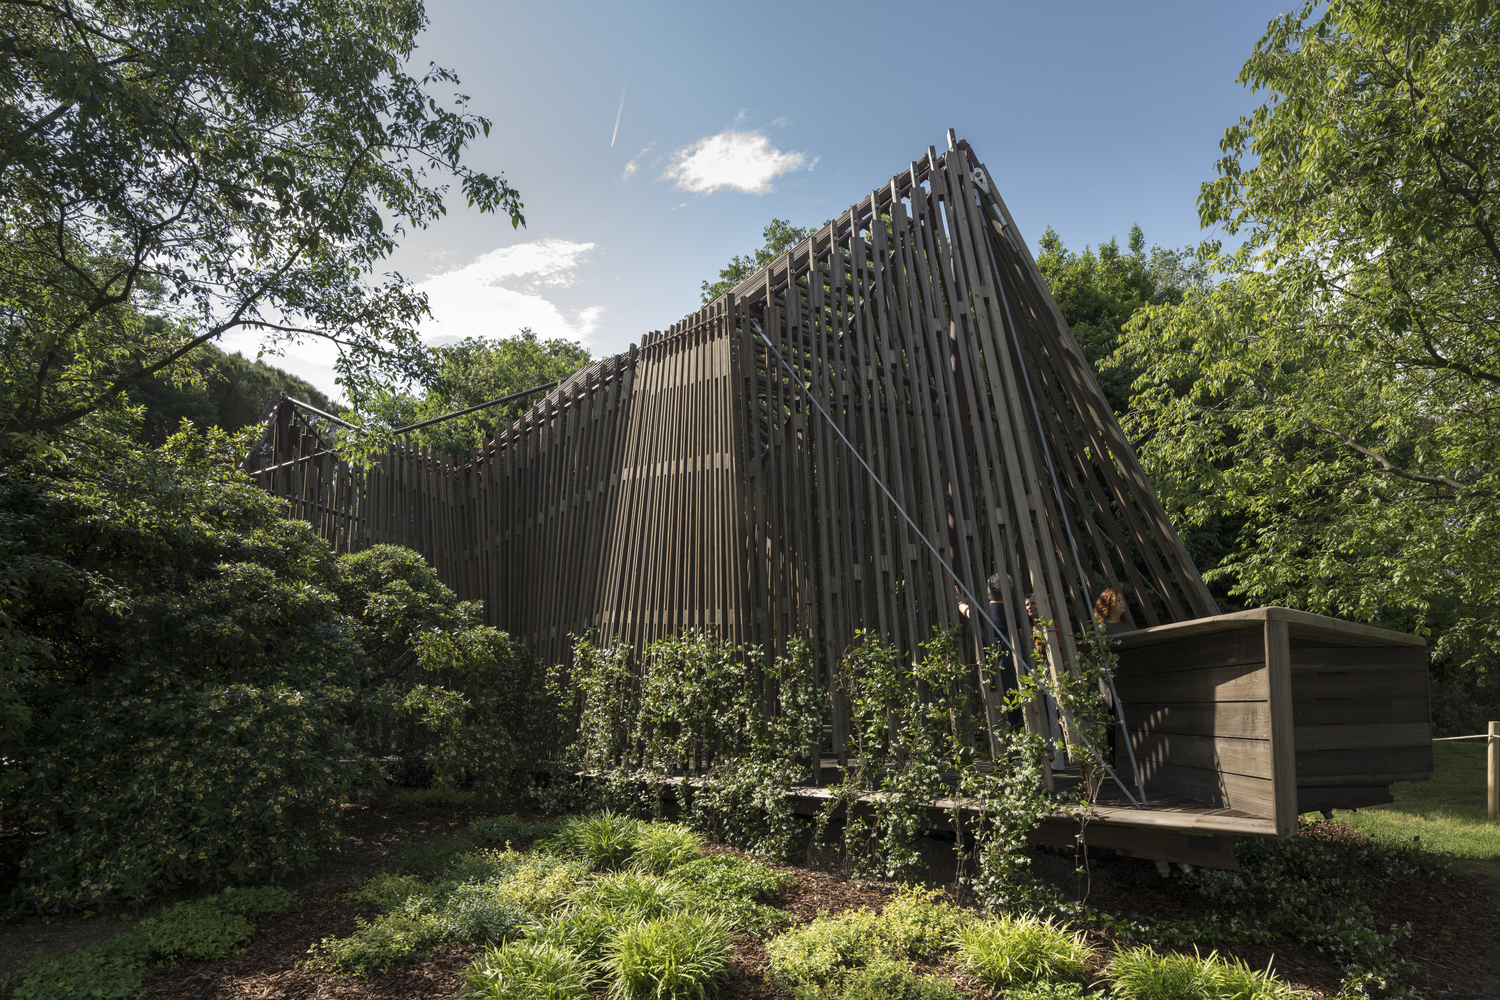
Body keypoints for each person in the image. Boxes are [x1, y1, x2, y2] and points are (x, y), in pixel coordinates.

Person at [955, 574, 1024, 729]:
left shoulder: (980, 612)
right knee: (1015, 712)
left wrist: (961, 601)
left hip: (990, 669)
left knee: (996, 713)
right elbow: (1022, 638)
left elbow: (964, 610)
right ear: (1010, 590)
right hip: (1013, 670)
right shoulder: (1014, 612)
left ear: (988, 590)